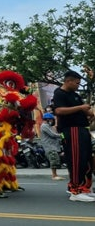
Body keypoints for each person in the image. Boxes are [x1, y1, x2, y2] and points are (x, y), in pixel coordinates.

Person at [51, 70, 94, 202]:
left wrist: (89, 113)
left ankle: (84, 188)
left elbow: (85, 110)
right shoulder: (59, 93)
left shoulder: (75, 95)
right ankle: (75, 191)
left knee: (86, 160)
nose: (77, 85)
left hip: (82, 129)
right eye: (76, 83)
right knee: (76, 159)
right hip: (71, 129)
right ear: (68, 81)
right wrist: (80, 108)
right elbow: (58, 110)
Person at [39, 113, 64, 180]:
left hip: (53, 146)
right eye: (51, 119)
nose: (52, 121)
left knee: (55, 160)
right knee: (53, 161)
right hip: (50, 147)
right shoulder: (44, 126)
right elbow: (53, 135)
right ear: (47, 119)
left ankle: (55, 174)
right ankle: (54, 175)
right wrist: (62, 135)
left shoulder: (48, 126)